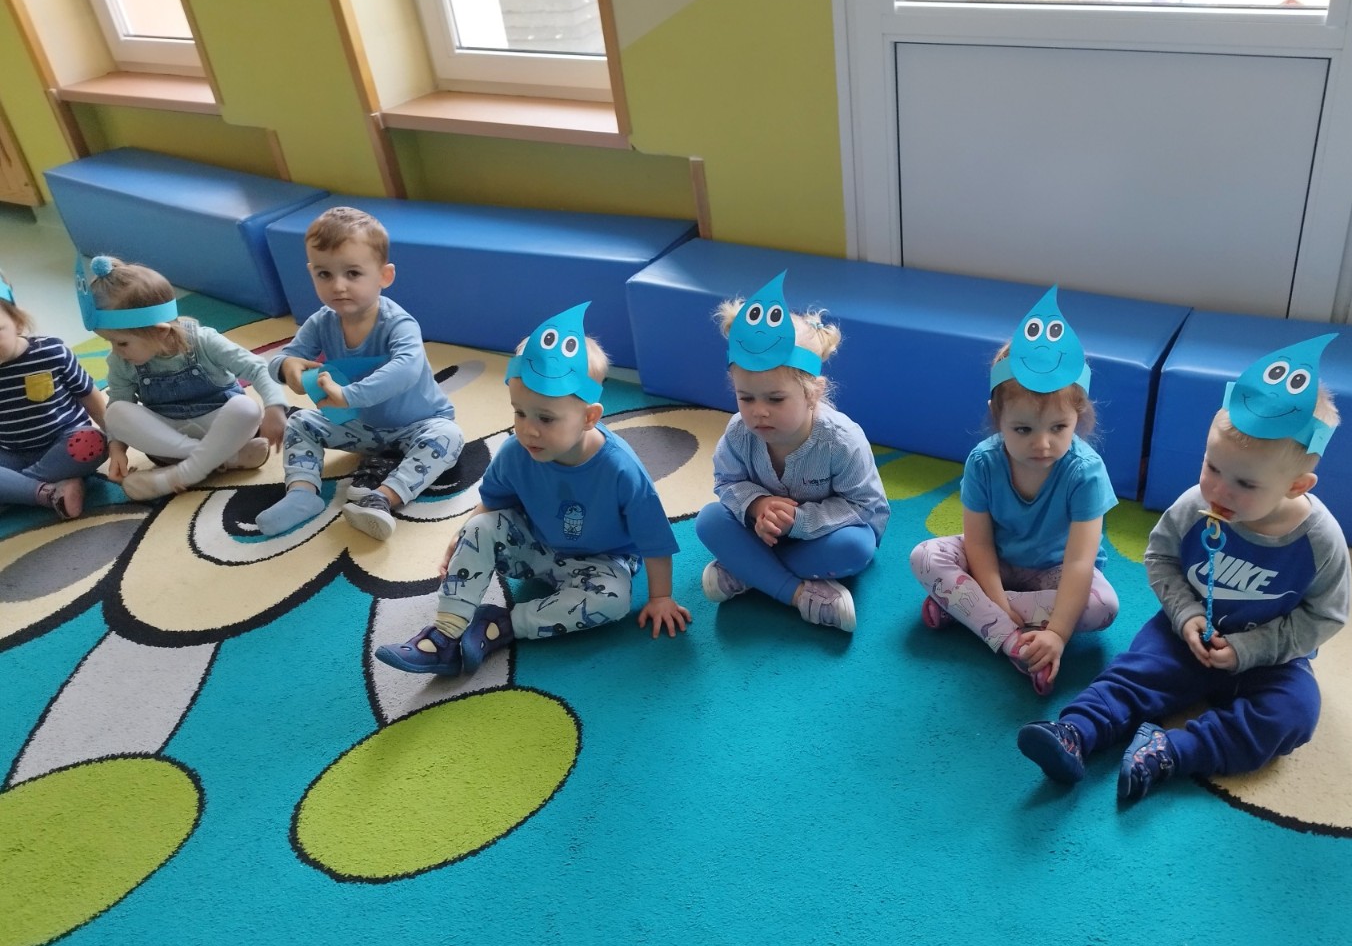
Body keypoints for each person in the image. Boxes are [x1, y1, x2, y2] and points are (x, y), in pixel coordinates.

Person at [1017, 334, 1351, 803]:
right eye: (1212, 467)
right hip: (1183, 633)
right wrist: (1186, 614)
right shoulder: (1194, 506)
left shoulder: (1319, 540)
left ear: (1297, 486)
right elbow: (1160, 558)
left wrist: (1250, 649)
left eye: (1245, 483)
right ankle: (1076, 731)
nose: (1219, 490)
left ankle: (1169, 752)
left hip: (1267, 659)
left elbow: (1326, 616)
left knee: (1292, 714)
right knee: (1133, 674)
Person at [375, 302, 690, 676]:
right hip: (536, 549)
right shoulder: (515, 452)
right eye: (520, 412)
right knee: (475, 527)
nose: (528, 429)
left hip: (603, 561)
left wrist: (660, 597)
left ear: (589, 417)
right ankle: (445, 634)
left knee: (614, 601)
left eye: (546, 418)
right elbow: (491, 506)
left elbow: (655, 541)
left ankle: (500, 624)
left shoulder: (622, 470)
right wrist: (464, 538)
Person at [910, 287, 1119, 694]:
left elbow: (1080, 563)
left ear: (1077, 416)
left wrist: (1057, 634)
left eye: (1058, 428)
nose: (1042, 444)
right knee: (923, 556)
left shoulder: (1086, 472)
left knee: (1103, 606)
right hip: (995, 562)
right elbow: (978, 543)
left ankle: (964, 608)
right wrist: (1000, 605)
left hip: (1054, 572)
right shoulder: (983, 462)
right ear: (997, 416)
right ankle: (1010, 639)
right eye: (1023, 429)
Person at [253, 206, 463, 540]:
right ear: (311, 273)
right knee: (300, 422)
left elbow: (406, 369)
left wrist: (349, 395)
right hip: (360, 427)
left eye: (353, 273)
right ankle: (302, 494)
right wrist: (287, 367)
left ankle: (383, 497)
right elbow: (286, 356)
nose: (338, 286)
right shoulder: (322, 321)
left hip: (417, 423)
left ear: (384, 276)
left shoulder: (398, 323)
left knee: (448, 436)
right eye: (324, 274)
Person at [694, 271, 888, 633]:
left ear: (813, 393)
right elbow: (727, 482)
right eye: (746, 398)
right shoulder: (739, 431)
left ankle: (750, 571)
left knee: (856, 547)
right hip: (763, 533)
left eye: (775, 399)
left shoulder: (842, 440)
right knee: (709, 520)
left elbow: (867, 507)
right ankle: (798, 594)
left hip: (823, 537)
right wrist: (757, 506)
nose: (759, 412)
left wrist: (798, 521)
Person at [80, 255, 288, 501]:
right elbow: (120, 405)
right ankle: (223, 458)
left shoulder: (203, 341)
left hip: (220, 427)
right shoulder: (120, 361)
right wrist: (116, 449)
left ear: (160, 331)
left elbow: (257, 368)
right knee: (115, 413)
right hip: (170, 443)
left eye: (122, 343)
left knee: (247, 408)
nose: (116, 351)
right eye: (110, 342)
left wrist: (275, 407)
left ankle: (187, 472)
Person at [0, 267, 108, 519]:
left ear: (17, 322)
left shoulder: (51, 352)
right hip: (11, 453)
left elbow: (89, 395)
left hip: (63, 445)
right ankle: (48, 493)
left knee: (93, 442)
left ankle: (16, 488)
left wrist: (116, 440)